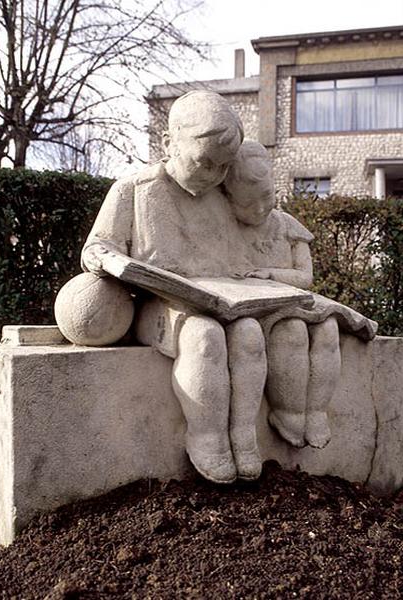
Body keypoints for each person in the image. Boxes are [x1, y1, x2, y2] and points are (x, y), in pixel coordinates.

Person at [81, 91, 266, 483]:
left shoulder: (221, 201)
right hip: (160, 306)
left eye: (222, 167)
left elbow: (240, 261)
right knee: (203, 338)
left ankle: (243, 434)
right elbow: (97, 246)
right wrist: (112, 261)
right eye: (204, 163)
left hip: (221, 301)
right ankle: (208, 434)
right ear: (169, 143)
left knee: (249, 334)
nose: (213, 175)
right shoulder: (134, 188)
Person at [223, 141, 377, 448]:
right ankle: (289, 411)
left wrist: (271, 274)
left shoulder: (288, 226)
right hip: (263, 310)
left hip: (296, 298)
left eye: (267, 197)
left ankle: (316, 410)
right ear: (228, 200)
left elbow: (305, 277)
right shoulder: (227, 230)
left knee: (329, 329)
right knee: (292, 332)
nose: (260, 209)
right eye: (248, 204)